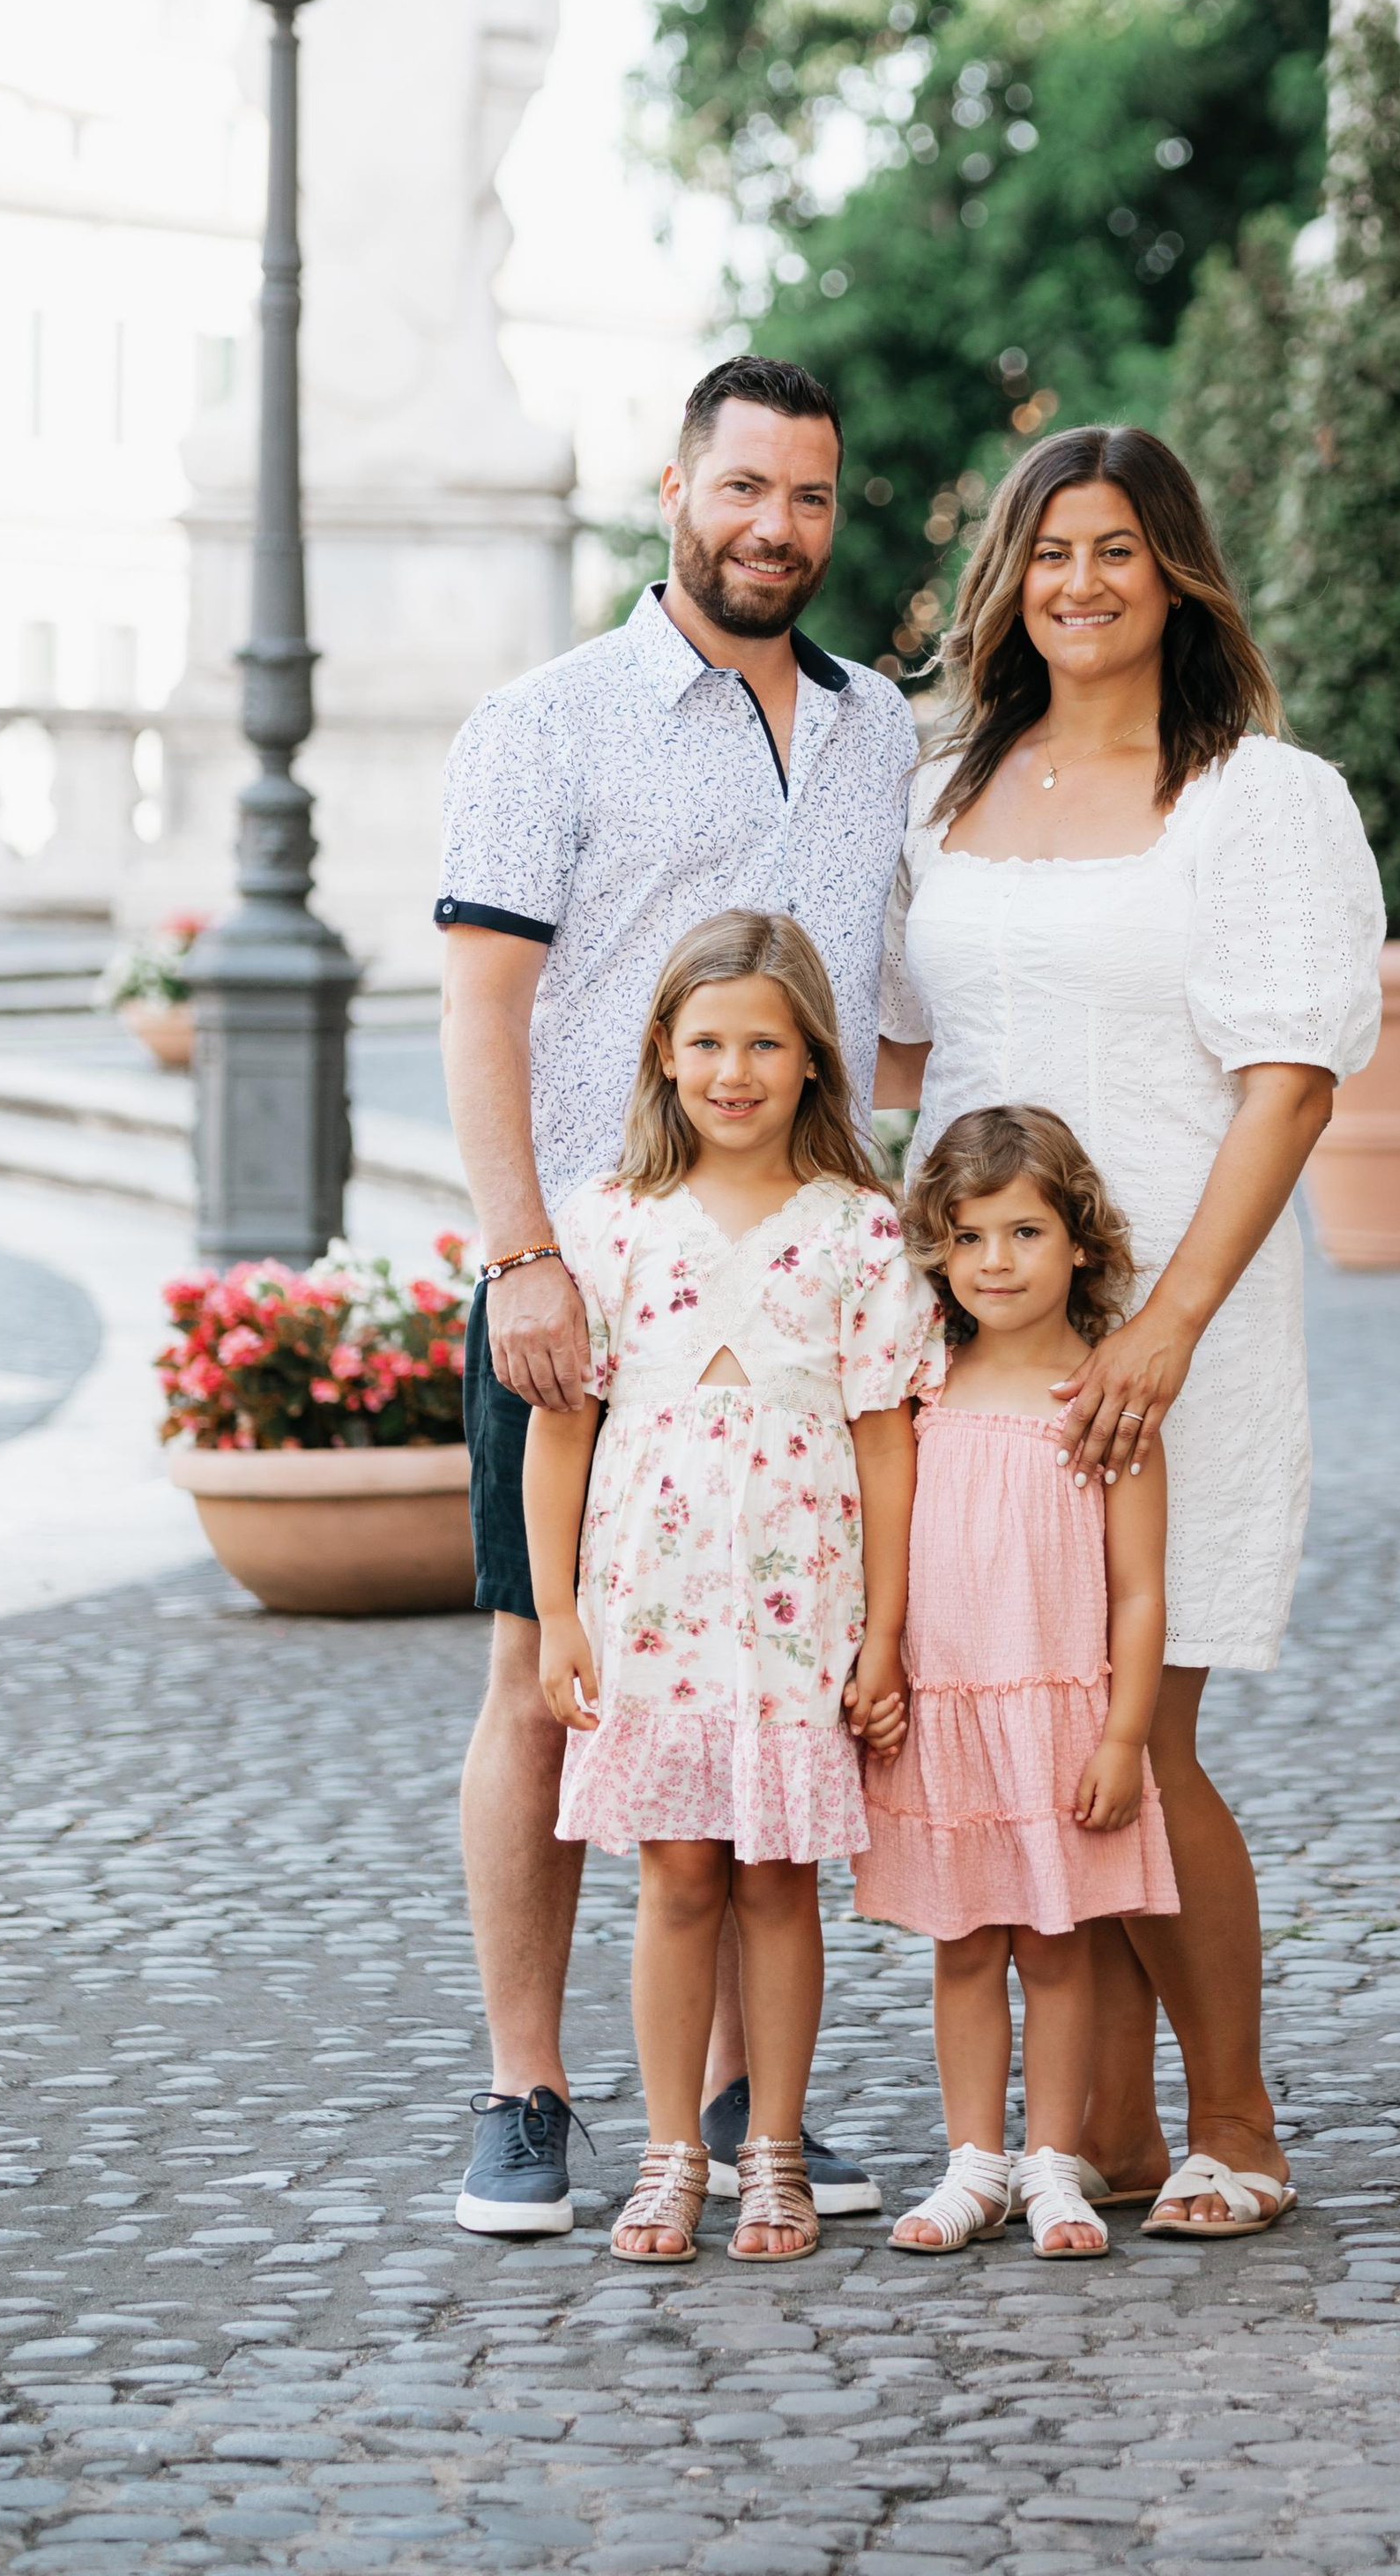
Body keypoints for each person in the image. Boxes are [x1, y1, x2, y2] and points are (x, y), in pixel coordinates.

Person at [875, 425, 1383, 2237]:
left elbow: (1292, 1078)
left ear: (1175, 571)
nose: (1075, 583)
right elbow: (903, 1064)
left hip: (1178, 1321)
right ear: (1003, 581)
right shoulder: (946, 788)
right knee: (1017, 1729)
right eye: (1043, 552)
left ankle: (1232, 2117)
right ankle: (1100, 2133)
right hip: (982, 1337)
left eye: (1112, 549)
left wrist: (1163, 1324)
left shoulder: (1257, 797)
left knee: (1135, 1730)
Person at [436, 355, 915, 2239]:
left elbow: (885, 1009)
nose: (771, 528)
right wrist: (520, 1259)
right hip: (590, 1272)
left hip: (800, 1288)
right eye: (740, 489)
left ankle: (733, 2092)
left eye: (805, 497)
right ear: (671, 489)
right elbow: (481, 1008)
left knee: (771, 1687)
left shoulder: (881, 731)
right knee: (543, 1677)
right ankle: (529, 2088)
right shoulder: (544, 723)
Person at [524, 910, 939, 2263]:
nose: (734, 1070)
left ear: (817, 1059)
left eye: (765, 1041)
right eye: (706, 1041)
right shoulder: (609, 1219)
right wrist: (558, 1612)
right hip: (651, 1602)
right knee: (678, 1878)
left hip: (799, 1606)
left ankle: (773, 2150)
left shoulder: (860, 1231)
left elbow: (886, 1434)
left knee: (778, 1884)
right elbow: (564, 1427)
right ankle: (670, 2151)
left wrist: (884, 1636)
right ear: (661, 1052)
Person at [856, 1102, 1177, 2261]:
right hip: (946, 1713)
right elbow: (882, 1545)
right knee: (962, 1943)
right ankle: (971, 2163)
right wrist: (878, 1656)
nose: (998, 1260)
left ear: (1079, 1241)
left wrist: (1124, 1736)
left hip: (1059, 1720)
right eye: (973, 1235)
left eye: (1026, 1233)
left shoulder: (1099, 1400)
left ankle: (1053, 2165)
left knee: (1058, 1946)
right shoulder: (922, 1390)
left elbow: (1140, 1590)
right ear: (939, 1248)